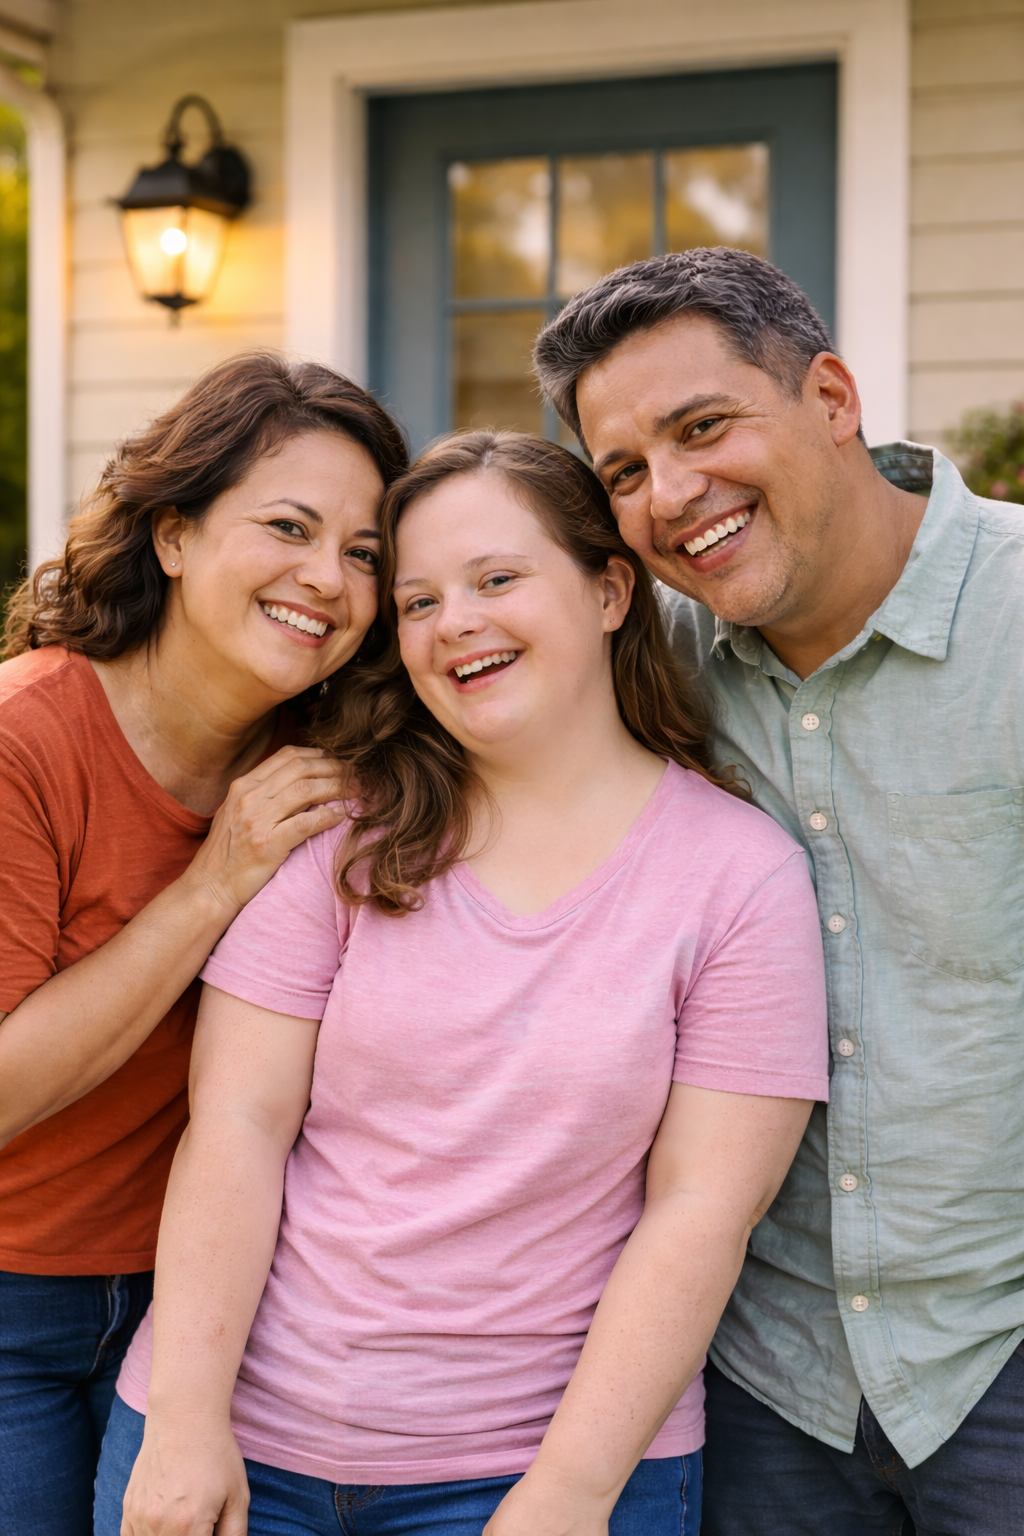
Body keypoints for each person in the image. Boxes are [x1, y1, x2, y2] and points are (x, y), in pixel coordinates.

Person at [94, 432, 828, 1536]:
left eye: (497, 580)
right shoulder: (339, 831)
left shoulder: (739, 877)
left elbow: (700, 1215)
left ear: (610, 590)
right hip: (243, 1443)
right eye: (420, 600)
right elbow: (239, 1125)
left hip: (541, 1470)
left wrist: (569, 1497)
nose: (456, 625)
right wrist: (189, 1422)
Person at [532, 246, 1024, 1535]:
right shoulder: (646, 672)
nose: (673, 495)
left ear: (832, 396)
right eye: (625, 472)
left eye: (704, 428)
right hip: (763, 1382)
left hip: (1000, 1351)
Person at [0, 351, 407, 1536]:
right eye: (286, 526)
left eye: (365, 554)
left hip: (214, 1303)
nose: (325, 579)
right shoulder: (30, 739)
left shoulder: (340, 754)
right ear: (172, 537)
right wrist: (214, 881)